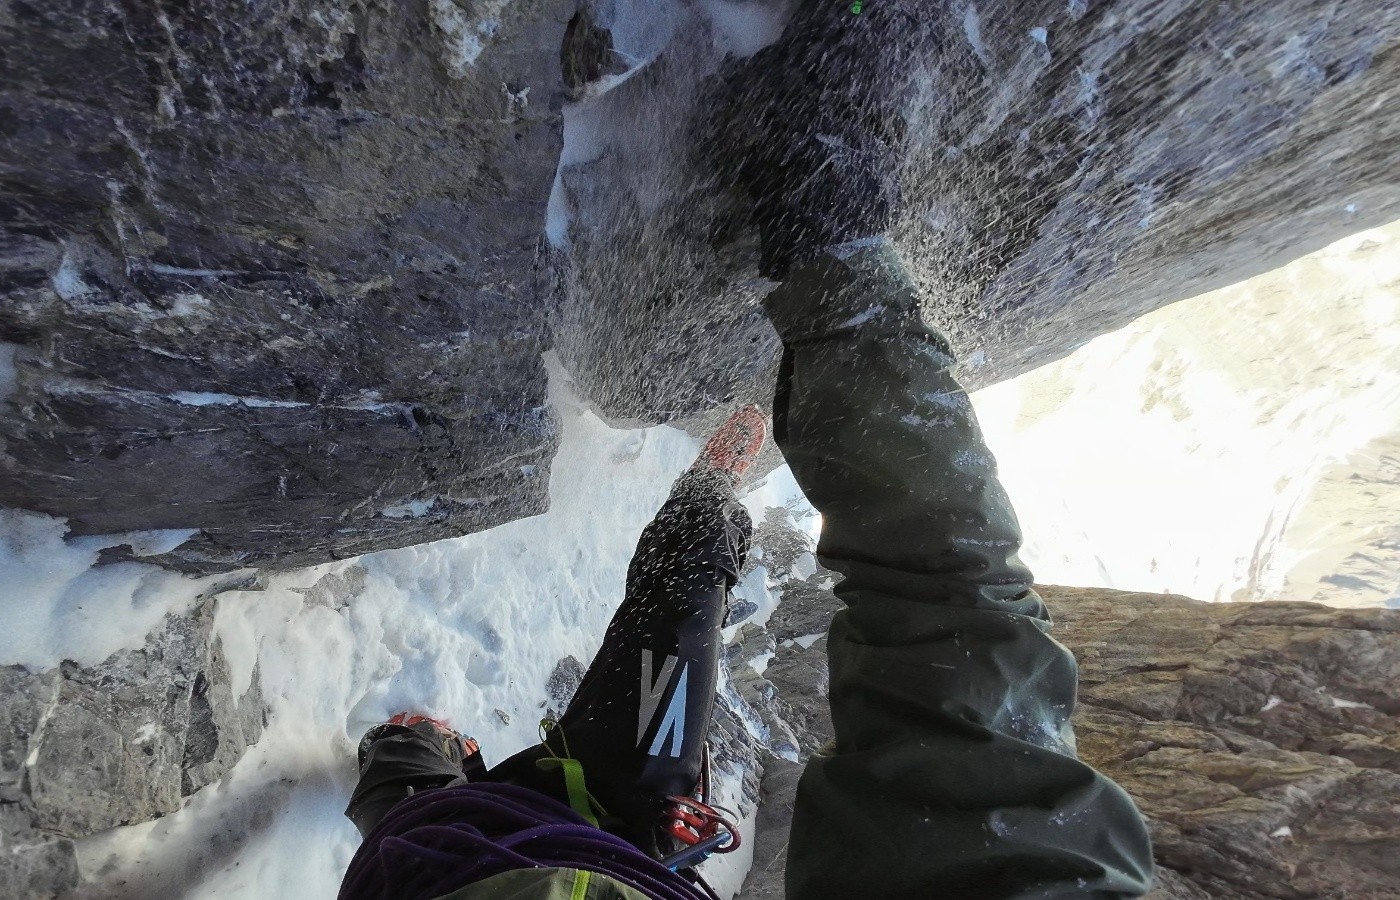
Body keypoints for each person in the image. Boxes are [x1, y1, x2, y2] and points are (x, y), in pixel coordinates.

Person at [337, 3, 1155, 894]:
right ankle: (412, 770)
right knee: (444, 814)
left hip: (550, 847)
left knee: (445, 812)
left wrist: (832, 251)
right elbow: (962, 665)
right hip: (576, 849)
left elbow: (956, 628)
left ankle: (413, 767)